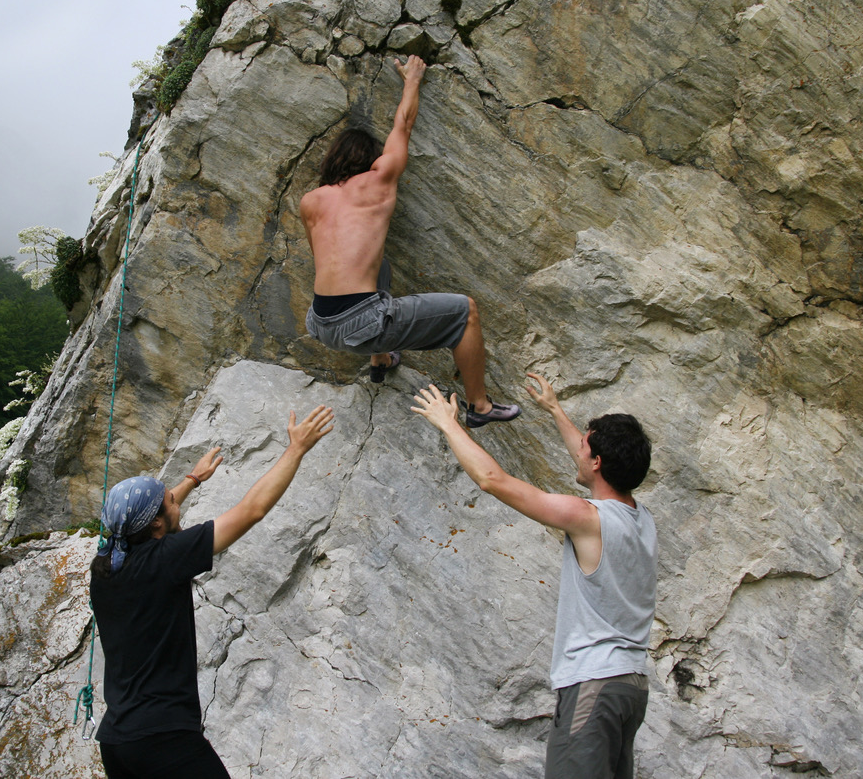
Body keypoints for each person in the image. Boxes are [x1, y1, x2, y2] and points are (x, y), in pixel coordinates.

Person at [410, 375, 656, 779]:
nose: (579, 449)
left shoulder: (587, 518)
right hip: (631, 686)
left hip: (593, 684)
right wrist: (555, 410)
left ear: (595, 461)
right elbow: (597, 462)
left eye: (584, 446)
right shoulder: (640, 519)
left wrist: (448, 424)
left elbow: (494, 481)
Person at [89, 405, 335, 779]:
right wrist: (295, 449)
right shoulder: (166, 558)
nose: (176, 499)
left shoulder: (106, 564)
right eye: (171, 500)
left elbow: (151, 516)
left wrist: (192, 479)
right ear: (156, 523)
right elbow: (251, 511)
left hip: (117, 745)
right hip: (164, 741)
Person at [300, 53, 520, 428]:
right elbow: (403, 124)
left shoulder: (311, 201)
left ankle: (380, 361)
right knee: (466, 312)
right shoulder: (378, 179)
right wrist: (412, 78)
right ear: (370, 162)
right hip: (363, 324)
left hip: (320, 322)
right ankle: (480, 407)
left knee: (379, 266)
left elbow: (326, 259)